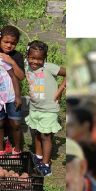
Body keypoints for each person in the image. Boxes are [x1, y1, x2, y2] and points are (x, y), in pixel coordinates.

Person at [24, 40, 65, 175]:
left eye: (40, 59)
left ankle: (46, 164)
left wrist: (60, 91)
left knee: (45, 136)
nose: (35, 61)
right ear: (27, 55)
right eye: (32, 58)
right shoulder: (26, 67)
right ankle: (38, 157)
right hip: (35, 107)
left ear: (44, 59)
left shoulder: (49, 68)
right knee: (37, 132)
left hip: (49, 109)